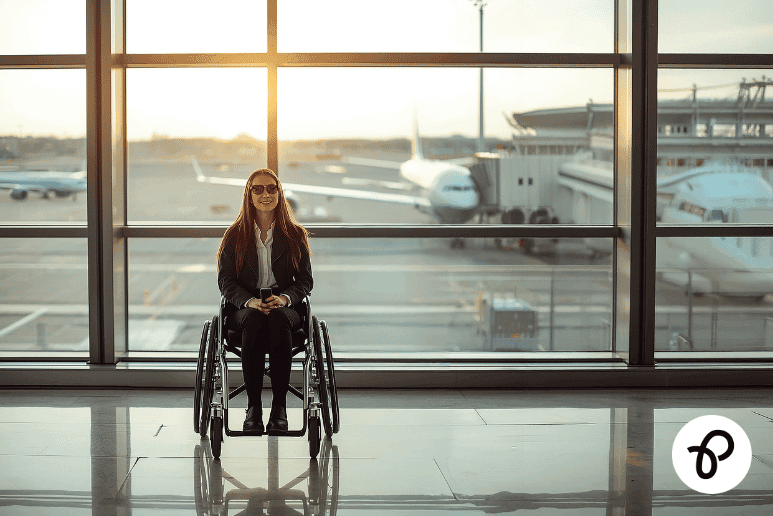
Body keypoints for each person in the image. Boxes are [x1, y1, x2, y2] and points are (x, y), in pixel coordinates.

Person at [217, 168, 313, 433]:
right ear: (248, 196)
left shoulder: (295, 234)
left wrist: (284, 298)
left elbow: (305, 280)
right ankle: (254, 408)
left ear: (280, 194)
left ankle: (279, 407)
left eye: (271, 188)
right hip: (246, 310)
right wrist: (250, 302)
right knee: (256, 319)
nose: (265, 194)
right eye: (257, 189)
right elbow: (226, 281)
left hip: (285, 308)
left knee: (279, 318)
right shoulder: (234, 235)